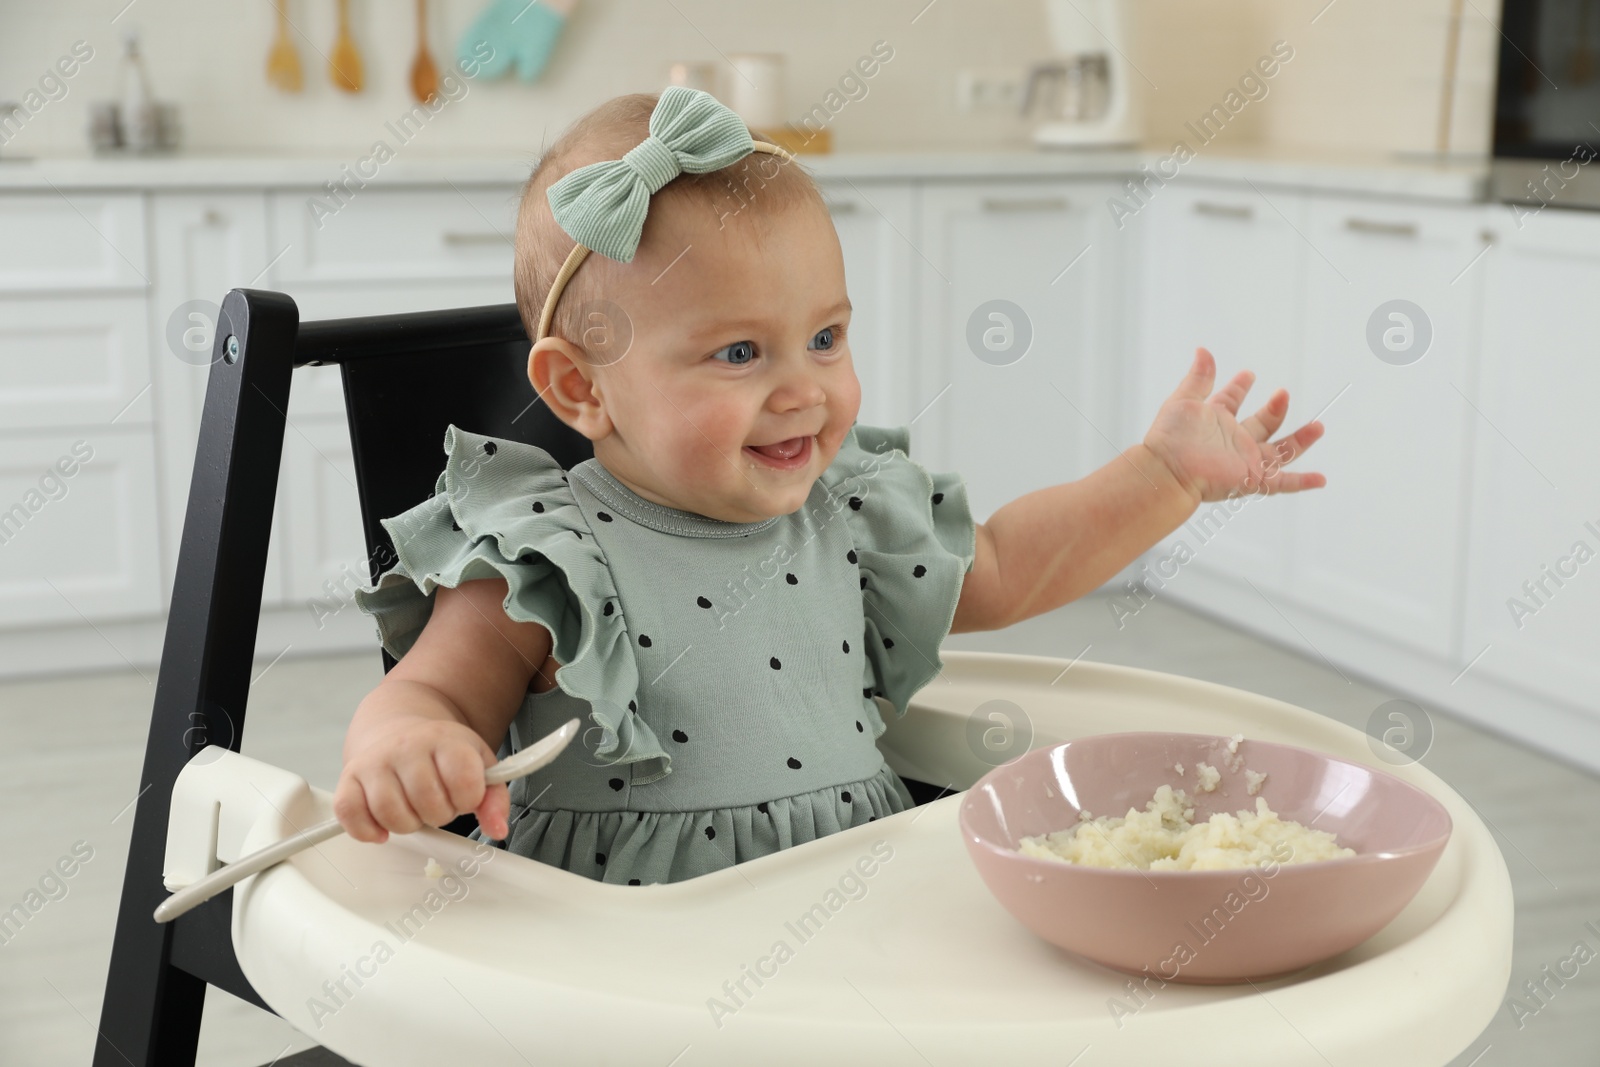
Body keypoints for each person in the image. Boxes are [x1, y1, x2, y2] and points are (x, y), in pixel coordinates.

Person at [335, 87, 1325, 885]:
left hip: (857, 905)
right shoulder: (545, 554)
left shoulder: (848, 513)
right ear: (579, 388)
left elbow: (1013, 562)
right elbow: (428, 690)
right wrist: (410, 743)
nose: (802, 388)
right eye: (737, 352)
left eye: (825, 337)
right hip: (632, 966)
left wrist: (1160, 477)